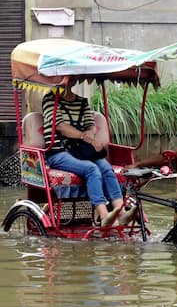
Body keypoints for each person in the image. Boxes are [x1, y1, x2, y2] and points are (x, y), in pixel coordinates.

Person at [42, 85, 124, 227]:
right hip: (58, 152)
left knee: (105, 167)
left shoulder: (82, 101)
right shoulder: (50, 99)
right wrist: (86, 137)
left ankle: (121, 212)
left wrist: (90, 134)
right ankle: (104, 216)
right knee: (91, 169)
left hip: (80, 151)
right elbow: (60, 127)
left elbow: (90, 125)